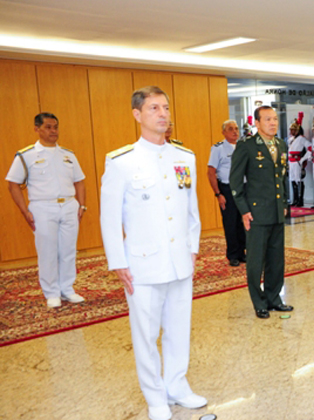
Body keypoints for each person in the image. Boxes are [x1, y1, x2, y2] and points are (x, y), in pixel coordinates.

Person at [100, 86, 206, 420]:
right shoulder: (121, 161)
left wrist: (193, 248)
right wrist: (118, 261)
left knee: (178, 328)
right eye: (153, 108)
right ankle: (155, 397)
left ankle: (177, 384)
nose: (162, 114)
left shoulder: (183, 157)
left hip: (179, 261)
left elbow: (191, 210)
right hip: (142, 264)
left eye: (165, 108)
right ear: (137, 115)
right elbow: (109, 216)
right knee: (145, 334)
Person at [6, 113, 87, 308]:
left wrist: (82, 205)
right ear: (37, 129)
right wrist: (25, 211)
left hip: (68, 205)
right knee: (47, 251)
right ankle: (51, 292)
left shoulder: (68, 155)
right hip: (43, 207)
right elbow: (13, 184)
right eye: (49, 127)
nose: (53, 131)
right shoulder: (26, 155)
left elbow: (80, 181)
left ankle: (67, 289)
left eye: (56, 127)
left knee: (68, 250)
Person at [229, 105, 293, 319]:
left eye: (275, 119)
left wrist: (284, 203)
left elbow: (282, 177)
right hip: (256, 213)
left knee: (276, 259)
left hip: (276, 212)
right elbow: (235, 182)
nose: (273, 123)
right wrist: (244, 211)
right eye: (267, 119)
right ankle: (259, 302)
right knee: (256, 261)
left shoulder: (281, 144)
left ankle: (274, 299)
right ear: (257, 123)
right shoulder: (246, 146)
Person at [208, 119, 245, 266]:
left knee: (243, 222)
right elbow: (211, 172)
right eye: (230, 129)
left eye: (236, 128)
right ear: (223, 132)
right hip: (227, 189)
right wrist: (218, 194)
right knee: (230, 223)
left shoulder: (243, 146)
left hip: (244, 188)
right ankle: (233, 255)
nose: (235, 131)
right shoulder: (218, 148)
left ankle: (242, 252)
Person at [287, 119, 310, 207]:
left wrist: (303, 159)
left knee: (298, 180)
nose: (291, 131)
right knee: (292, 180)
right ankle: (295, 199)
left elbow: (310, 148)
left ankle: (300, 200)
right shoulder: (290, 139)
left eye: (293, 130)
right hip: (291, 161)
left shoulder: (301, 139)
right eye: (291, 130)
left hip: (297, 161)